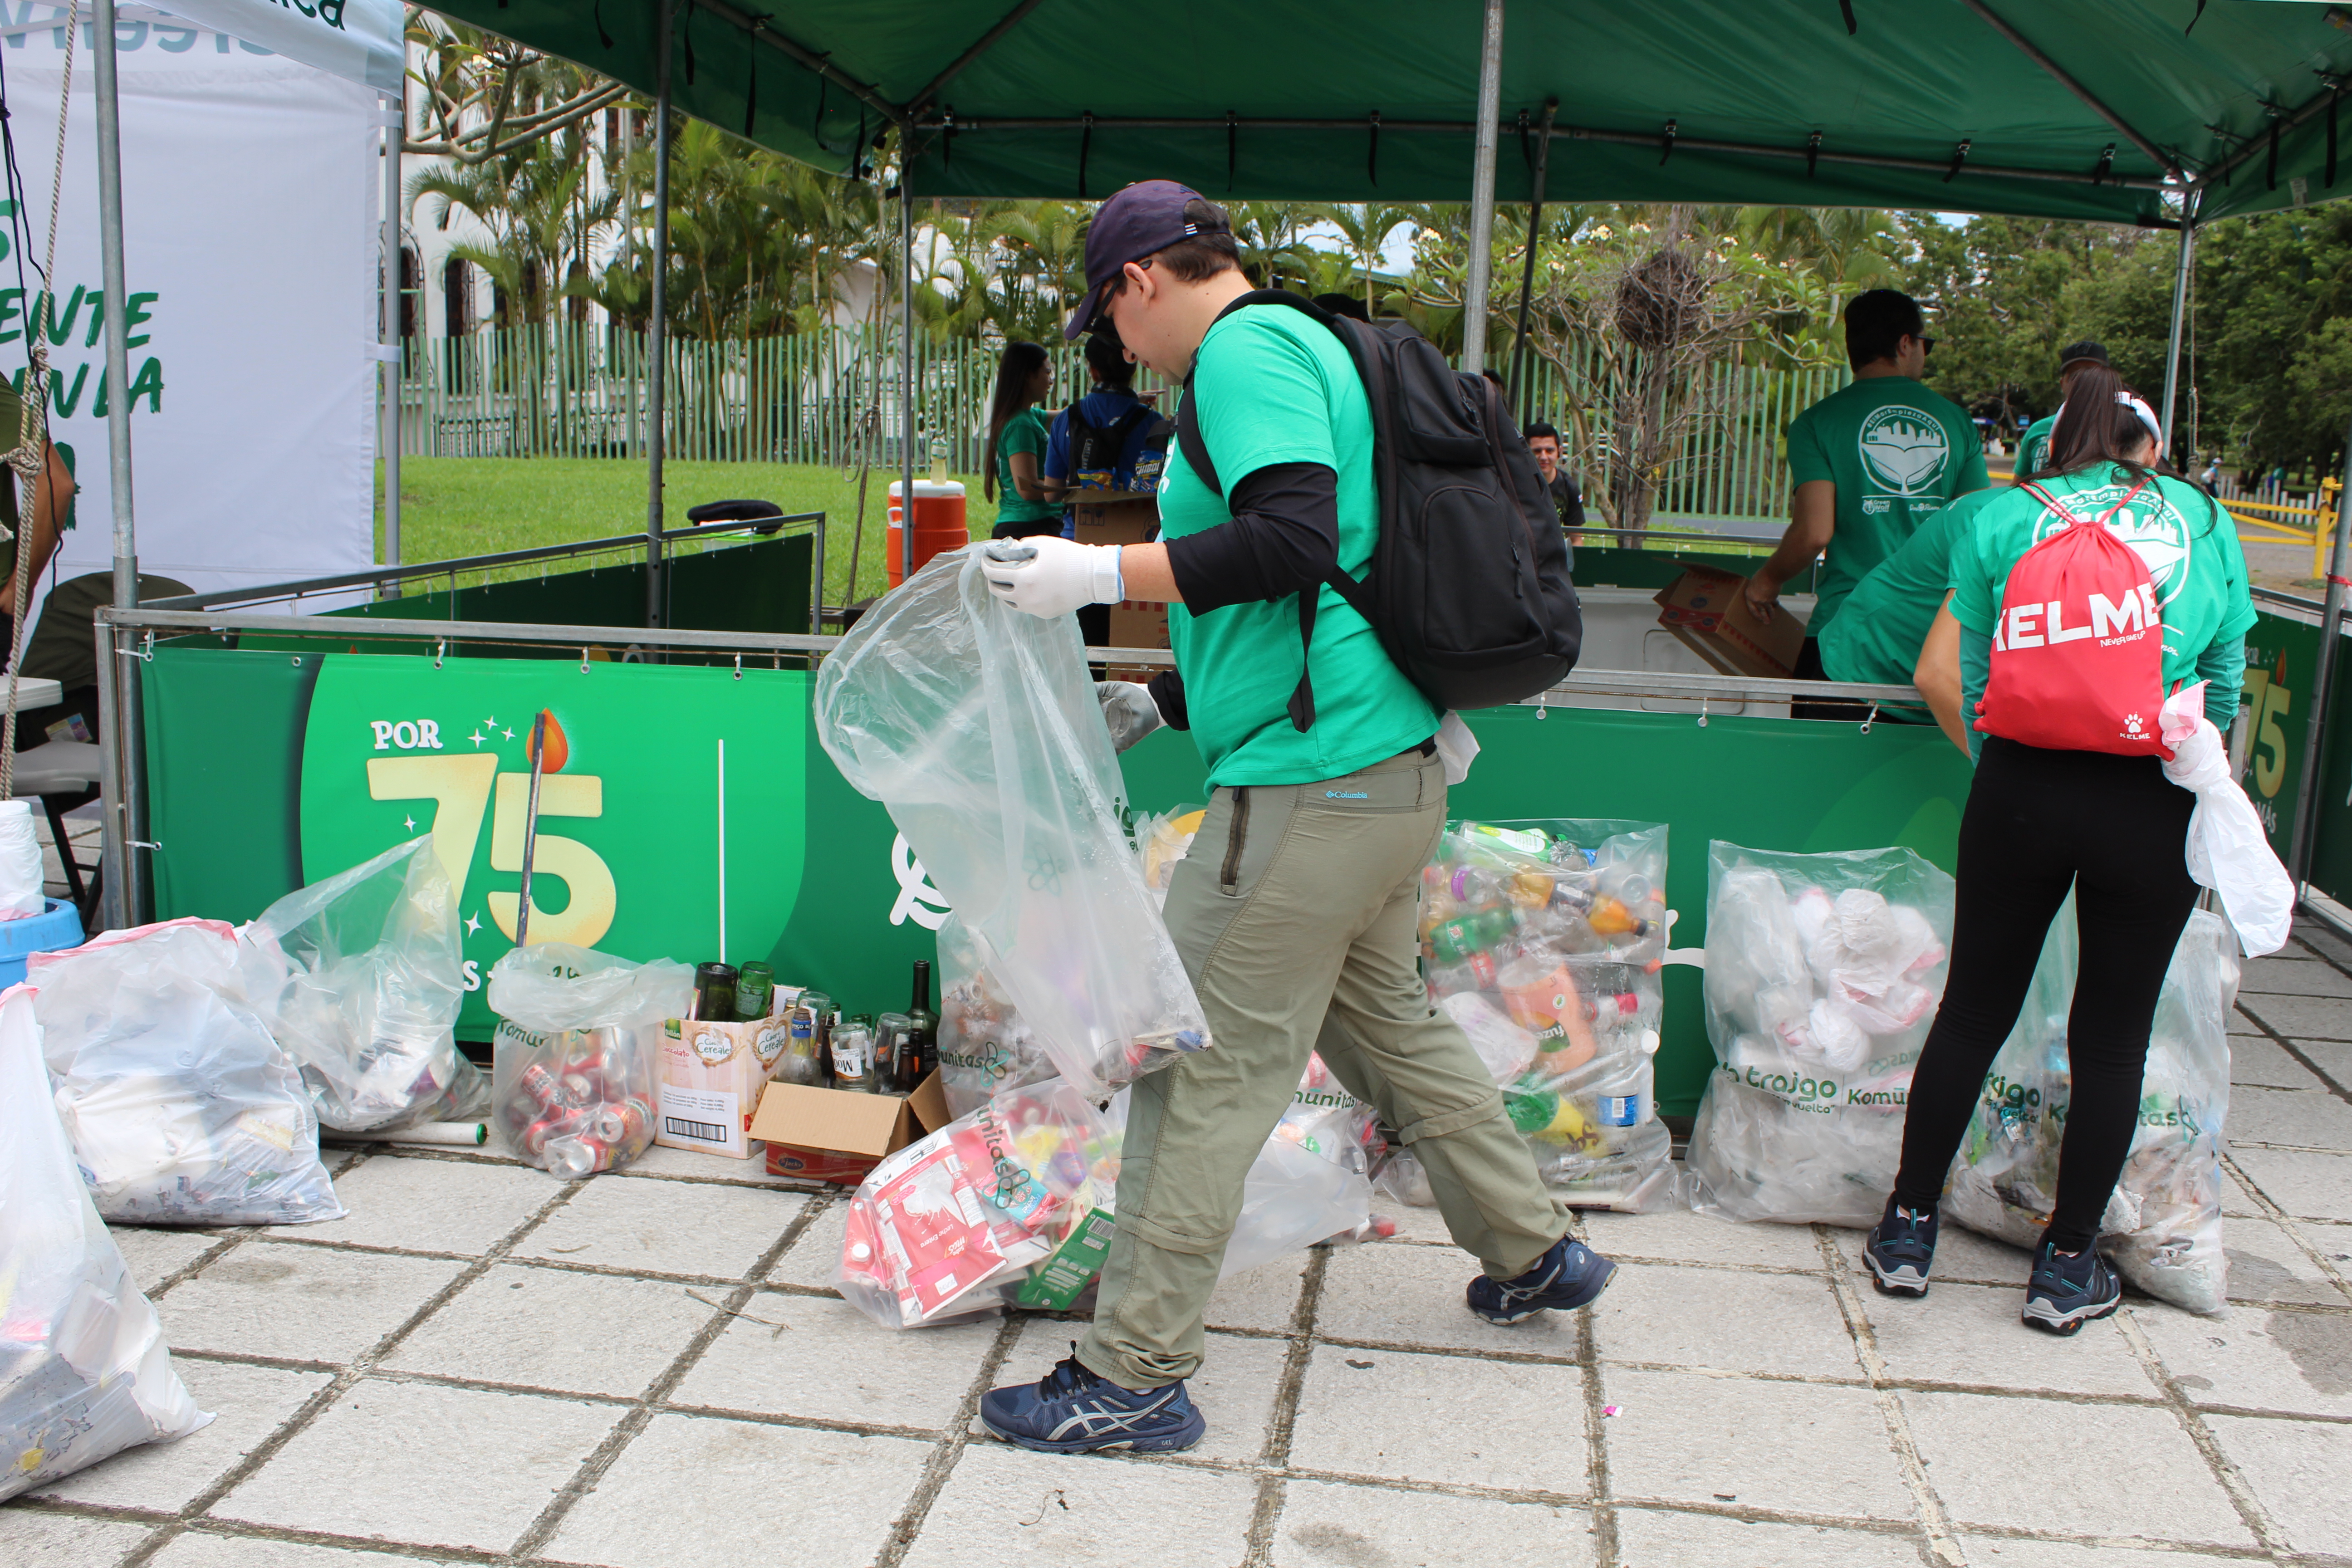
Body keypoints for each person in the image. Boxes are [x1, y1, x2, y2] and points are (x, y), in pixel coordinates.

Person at [973, 180, 1615, 1454]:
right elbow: (1317, 592)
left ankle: (1134, 1374)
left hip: (1310, 791)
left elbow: (1290, 542)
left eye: (1112, 315)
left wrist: (1096, 572)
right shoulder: (1309, 346)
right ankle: (1537, 1252)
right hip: (1384, 775)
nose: (1121, 349)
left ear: (1141, 278)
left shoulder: (1247, 350)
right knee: (1392, 1030)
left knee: (1196, 1068)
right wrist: (1167, 694)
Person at [1865, 368, 2255, 1335]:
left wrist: (2012, 765)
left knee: (1971, 1013)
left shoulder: (2002, 518)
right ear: (2146, 446)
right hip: (2151, 797)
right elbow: (2228, 668)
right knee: (2113, 1037)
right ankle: (2069, 1263)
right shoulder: (2202, 523)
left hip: (2023, 789)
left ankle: (1909, 1228)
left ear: (2050, 444)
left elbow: (1976, 662)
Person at [1743, 289, 1986, 703]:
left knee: (1818, 765)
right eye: (1924, 344)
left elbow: (1815, 532)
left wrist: (1765, 583)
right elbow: (1978, 527)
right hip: (1932, 639)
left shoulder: (1817, 423)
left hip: (1844, 635)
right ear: (1905, 343)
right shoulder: (1957, 422)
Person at [1815, 487, 1999, 755]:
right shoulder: (1993, 522)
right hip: (1868, 679)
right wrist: (2006, 779)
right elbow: (1936, 676)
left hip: (1949, 696)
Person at [1043, 324, 1170, 514]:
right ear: (1132, 369)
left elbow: (1051, 495)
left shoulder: (1065, 420)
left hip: (1080, 534)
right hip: (1136, 532)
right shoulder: (1154, 423)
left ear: (1093, 371)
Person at [984, 341, 1061, 540]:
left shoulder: (1028, 416)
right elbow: (1027, 488)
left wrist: (1121, 402)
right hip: (1029, 527)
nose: (1051, 380)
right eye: (1047, 372)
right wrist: (1071, 488)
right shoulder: (1020, 425)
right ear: (1029, 375)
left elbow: (1069, 416)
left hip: (1027, 526)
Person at [2014, 341, 2110, 482]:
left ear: (2109, 381)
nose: (2083, 382)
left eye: (2092, 374)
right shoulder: (2038, 431)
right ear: (2062, 384)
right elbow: (2016, 490)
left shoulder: (2124, 429)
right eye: (2075, 376)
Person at [1522, 420, 1581, 574]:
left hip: (1556, 564)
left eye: (1550, 451)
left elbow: (1576, 539)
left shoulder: (1570, 488)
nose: (1543, 457)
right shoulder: (1513, 485)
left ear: (1559, 452)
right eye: (1537, 451)